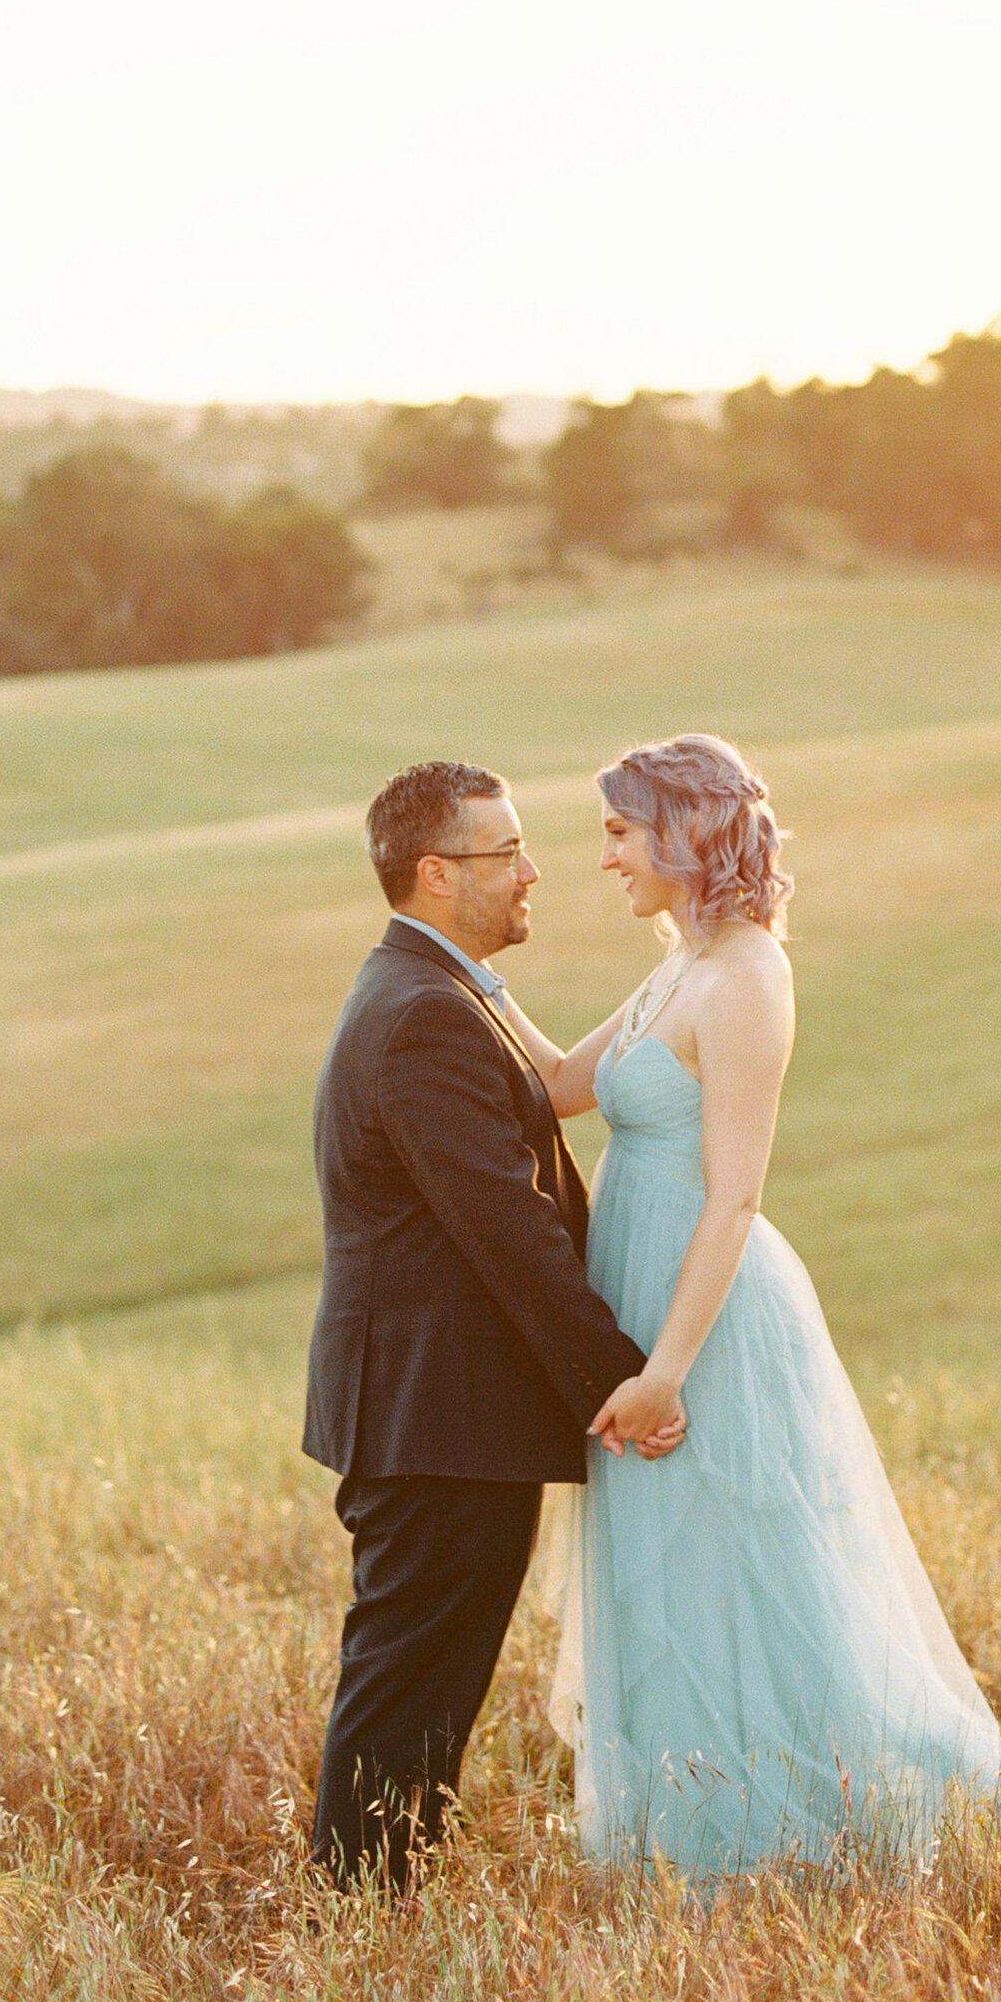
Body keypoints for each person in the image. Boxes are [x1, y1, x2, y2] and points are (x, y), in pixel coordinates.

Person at [494, 733, 1001, 1875]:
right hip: (637, 1291)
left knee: (753, 1563)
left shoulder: (747, 975)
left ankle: (802, 1818)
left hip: (708, 1315)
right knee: (672, 1571)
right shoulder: (676, 966)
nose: (602, 857)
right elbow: (556, 1087)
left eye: (617, 830)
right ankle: (690, 1816)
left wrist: (665, 1369)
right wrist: (468, 982)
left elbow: (735, 1197)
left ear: (682, 831)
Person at [302, 759, 682, 1888]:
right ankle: (355, 1913)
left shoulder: (444, 991)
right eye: (504, 851)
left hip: (444, 1411)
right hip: (437, 1413)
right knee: (408, 1675)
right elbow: (503, 1226)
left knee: (425, 1674)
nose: (531, 870)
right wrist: (619, 1378)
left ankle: (379, 1903)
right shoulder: (424, 1013)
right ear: (433, 874)